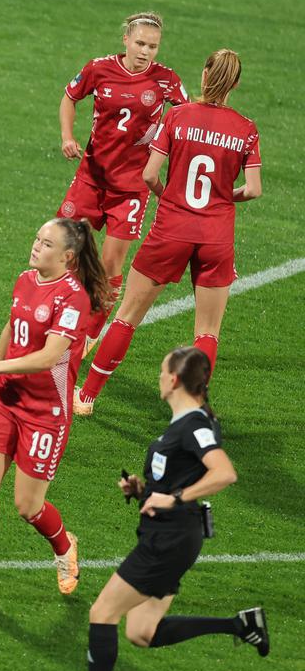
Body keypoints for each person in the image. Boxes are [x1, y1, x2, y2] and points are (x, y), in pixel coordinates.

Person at [76, 49, 261, 415]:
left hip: (171, 230)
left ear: (204, 75)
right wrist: (225, 196)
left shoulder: (177, 116)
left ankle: (87, 397)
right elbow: (253, 189)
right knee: (207, 332)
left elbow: (148, 175)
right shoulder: (247, 129)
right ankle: (192, 407)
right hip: (216, 236)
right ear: (236, 83)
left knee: (127, 315)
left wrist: (168, 195)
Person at [0, 218, 110, 602]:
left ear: (67, 256)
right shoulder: (25, 279)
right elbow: (11, 326)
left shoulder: (73, 299)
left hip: (45, 413)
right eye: (36, 238)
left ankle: (64, 546)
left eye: (46, 244)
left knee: (27, 505)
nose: (36, 246)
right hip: (5, 399)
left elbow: (49, 357)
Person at [86, 347, 269, 671]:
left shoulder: (193, 425)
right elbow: (181, 473)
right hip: (171, 535)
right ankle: (241, 626)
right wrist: (144, 491)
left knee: (102, 613)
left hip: (169, 539)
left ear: (173, 380)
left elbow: (224, 473)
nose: (157, 377)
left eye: (160, 372)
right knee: (142, 632)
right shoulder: (187, 421)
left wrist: (174, 498)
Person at [58, 12, 188, 355]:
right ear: (126, 41)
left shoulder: (166, 80)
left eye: (153, 46)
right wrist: (67, 136)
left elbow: (185, 117)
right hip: (91, 177)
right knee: (66, 251)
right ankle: (62, 318)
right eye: (141, 43)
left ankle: (90, 333)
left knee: (113, 266)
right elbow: (70, 97)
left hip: (130, 188)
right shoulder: (98, 68)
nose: (146, 51)